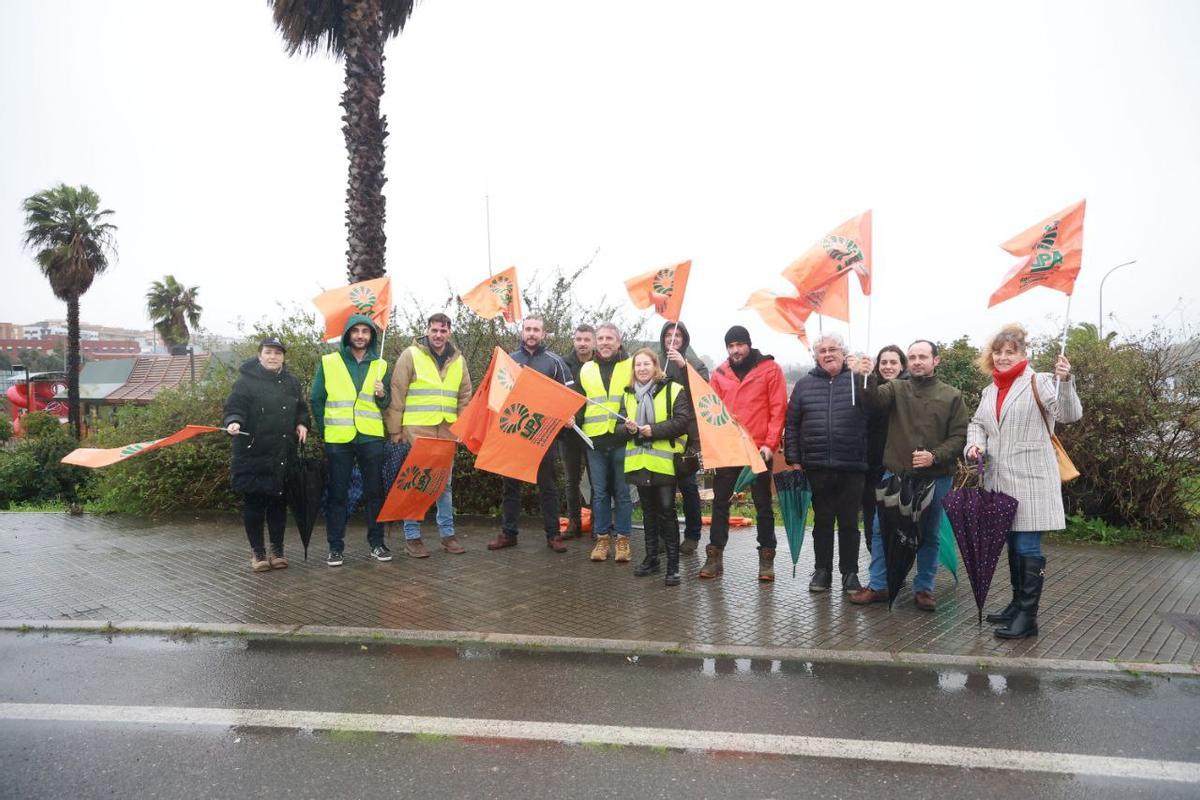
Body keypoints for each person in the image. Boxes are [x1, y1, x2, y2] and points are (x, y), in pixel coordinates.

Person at [966, 323, 1082, 639]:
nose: (1003, 357)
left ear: (1023, 354)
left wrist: (1066, 381)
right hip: (999, 482)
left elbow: (1069, 414)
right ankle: (1017, 605)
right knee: (1012, 545)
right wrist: (974, 445)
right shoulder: (989, 391)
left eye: (1010, 352)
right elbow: (978, 423)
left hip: (1033, 480)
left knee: (1027, 545)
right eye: (998, 352)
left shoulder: (1041, 381)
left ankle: (1028, 618)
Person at [850, 340, 968, 610]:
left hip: (936, 477)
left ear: (935, 360)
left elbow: (959, 436)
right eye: (912, 356)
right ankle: (879, 585)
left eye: (922, 357)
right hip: (896, 474)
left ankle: (924, 588)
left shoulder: (952, 395)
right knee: (881, 531)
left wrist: (934, 456)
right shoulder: (896, 388)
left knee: (929, 533)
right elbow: (872, 401)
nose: (917, 361)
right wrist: (866, 377)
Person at [784, 333, 869, 593]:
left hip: (851, 465)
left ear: (844, 353)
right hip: (816, 466)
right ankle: (822, 571)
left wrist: (866, 376)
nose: (828, 354)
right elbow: (792, 425)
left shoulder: (857, 380)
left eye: (833, 349)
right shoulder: (803, 385)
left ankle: (850, 573)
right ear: (816, 356)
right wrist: (794, 460)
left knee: (849, 524)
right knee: (822, 523)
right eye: (822, 351)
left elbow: (875, 413)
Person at [700, 325, 786, 581]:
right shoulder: (719, 373)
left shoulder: (771, 369)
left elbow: (778, 408)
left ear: (749, 344)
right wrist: (713, 447)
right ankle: (714, 557)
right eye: (730, 346)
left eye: (739, 344)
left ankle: (766, 559)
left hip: (758, 450)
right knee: (720, 503)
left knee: (762, 504)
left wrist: (770, 445)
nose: (735, 350)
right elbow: (710, 412)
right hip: (728, 448)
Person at [383, 312, 473, 558]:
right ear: (427, 330)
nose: (438, 335)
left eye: (443, 331)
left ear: (449, 332)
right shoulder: (410, 355)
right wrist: (395, 430)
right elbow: (397, 392)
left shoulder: (458, 360)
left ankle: (448, 535)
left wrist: (462, 427)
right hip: (416, 431)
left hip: (446, 432)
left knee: (444, 485)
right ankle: (412, 537)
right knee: (415, 483)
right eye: (434, 330)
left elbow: (465, 396)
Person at [487, 314, 573, 553]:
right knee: (510, 488)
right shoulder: (509, 361)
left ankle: (553, 535)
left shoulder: (555, 362)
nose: (532, 333)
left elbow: (568, 397)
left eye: (536, 329)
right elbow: (496, 396)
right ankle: (509, 533)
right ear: (522, 332)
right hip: (513, 434)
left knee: (548, 487)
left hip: (543, 436)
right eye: (528, 329)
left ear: (543, 334)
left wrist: (567, 416)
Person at [223, 338, 310, 572]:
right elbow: (235, 408)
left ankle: (277, 550)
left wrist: (302, 424)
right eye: (268, 352)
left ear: (283, 357)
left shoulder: (291, 382)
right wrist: (233, 422)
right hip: (253, 452)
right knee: (254, 504)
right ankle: (258, 553)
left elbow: (300, 408)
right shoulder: (246, 382)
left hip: (283, 453)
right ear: (260, 355)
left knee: (278, 504)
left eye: (278, 353)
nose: (273, 357)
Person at [311, 315, 391, 567]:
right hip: (339, 439)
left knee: (375, 493)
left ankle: (377, 544)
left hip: (371, 437)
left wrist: (382, 394)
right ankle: (335, 548)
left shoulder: (381, 365)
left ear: (371, 336)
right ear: (347, 334)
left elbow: (385, 404)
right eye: (355, 331)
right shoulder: (329, 362)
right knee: (337, 494)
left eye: (365, 332)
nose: (360, 336)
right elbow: (316, 399)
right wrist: (326, 431)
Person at [622, 348, 693, 586]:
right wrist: (628, 428)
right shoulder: (628, 394)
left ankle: (672, 565)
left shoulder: (674, 389)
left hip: (664, 463)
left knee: (667, 511)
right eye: (637, 365)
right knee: (648, 513)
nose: (641, 369)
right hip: (640, 462)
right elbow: (618, 426)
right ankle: (652, 559)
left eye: (646, 364)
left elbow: (683, 422)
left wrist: (653, 430)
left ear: (656, 366)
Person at [577, 322, 634, 563]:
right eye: (600, 338)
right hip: (595, 440)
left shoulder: (631, 365)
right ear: (595, 342)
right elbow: (581, 402)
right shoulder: (586, 369)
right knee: (599, 494)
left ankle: (622, 541)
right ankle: (601, 540)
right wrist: (574, 419)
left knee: (622, 493)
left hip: (622, 438)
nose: (604, 342)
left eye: (610, 338)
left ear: (619, 341)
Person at [656, 321, 708, 555]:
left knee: (688, 488)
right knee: (661, 486)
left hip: (688, 435)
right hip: (661, 432)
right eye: (668, 335)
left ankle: (693, 535)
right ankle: (665, 535)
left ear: (684, 339)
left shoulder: (696, 364)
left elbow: (703, 393)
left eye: (677, 335)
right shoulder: (656, 361)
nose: (672, 339)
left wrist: (684, 367)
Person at [862, 346, 908, 552]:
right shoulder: (868, 386)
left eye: (893, 362)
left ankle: (897, 565)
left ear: (902, 365)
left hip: (898, 463)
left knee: (897, 518)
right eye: (884, 362)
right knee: (872, 516)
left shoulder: (908, 388)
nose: (888, 367)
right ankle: (876, 563)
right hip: (871, 463)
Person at [559, 324, 595, 539]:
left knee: (596, 480)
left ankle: (597, 523)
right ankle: (573, 523)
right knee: (571, 480)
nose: (582, 343)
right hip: (569, 430)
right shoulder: (563, 364)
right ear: (574, 340)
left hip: (593, 430)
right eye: (579, 339)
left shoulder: (600, 364)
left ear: (593, 342)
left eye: (586, 339)